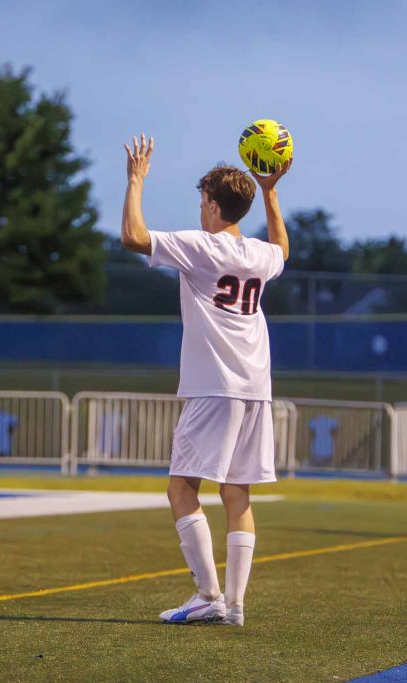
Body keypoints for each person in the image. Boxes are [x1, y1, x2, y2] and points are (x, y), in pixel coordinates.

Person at [120, 133, 291, 626]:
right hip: (255, 385)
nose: (199, 209)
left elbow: (133, 237)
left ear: (214, 205)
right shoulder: (258, 255)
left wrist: (135, 180)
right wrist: (272, 191)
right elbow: (281, 247)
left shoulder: (203, 248)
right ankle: (234, 606)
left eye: (202, 201)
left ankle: (208, 596)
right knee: (237, 493)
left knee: (181, 489)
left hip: (214, 385)